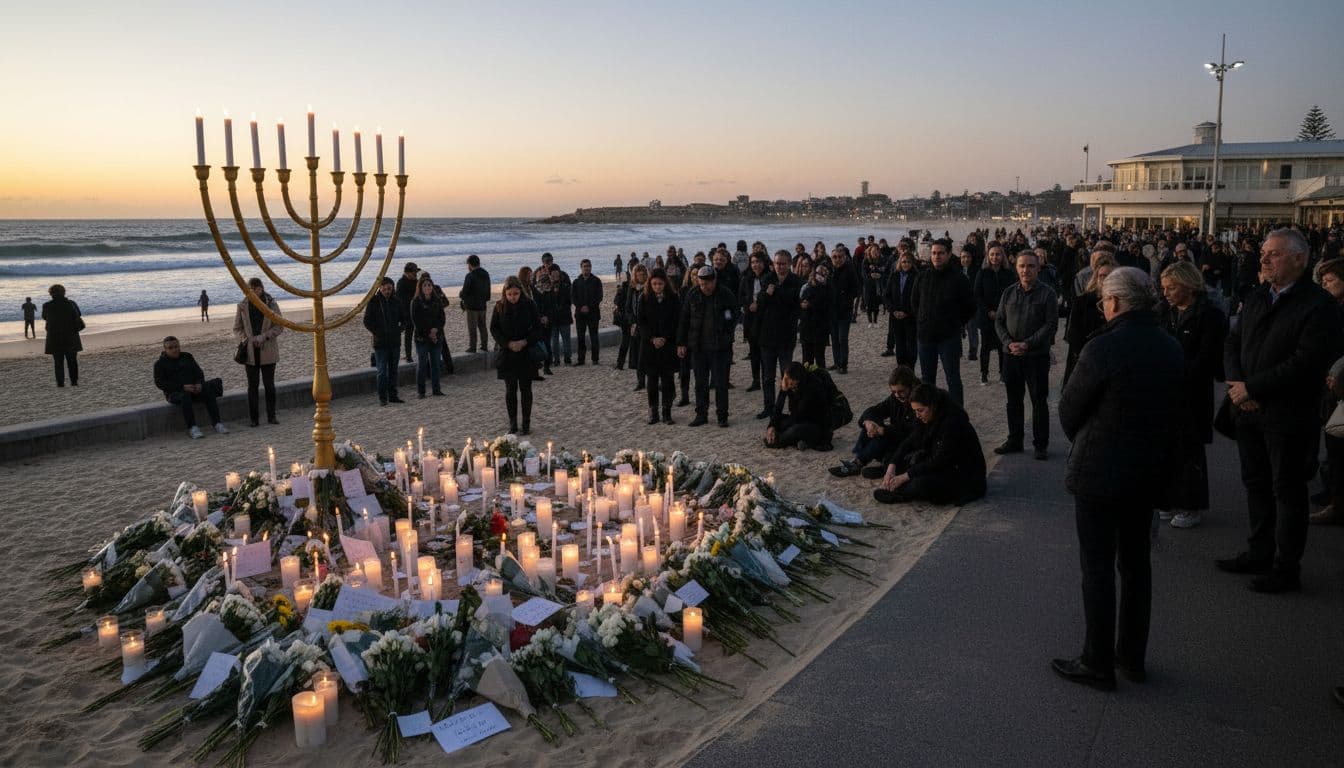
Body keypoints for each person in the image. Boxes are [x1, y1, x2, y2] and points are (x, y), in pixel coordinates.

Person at [1052, 267, 1184, 691]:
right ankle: (1131, 657)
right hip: (1146, 471)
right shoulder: (1169, 345)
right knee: (1136, 565)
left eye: (1103, 301)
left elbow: (1070, 409)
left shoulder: (1104, 346)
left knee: (1097, 568)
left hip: (1101, 472)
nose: (1102, 308)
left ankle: (1097, 661)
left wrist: (1090, 438)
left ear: (1115, 302)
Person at [1218, 228, 1343, 593]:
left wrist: (1252, 388)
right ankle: (1259, 551)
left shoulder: (1318, 305)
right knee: (1255, 484)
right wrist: (1237, 385)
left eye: (1273, 253)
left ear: (1300, 259)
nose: (1264, 259)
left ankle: (1286, 568)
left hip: (1288, 415)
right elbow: (1233, 341)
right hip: (1248, 410)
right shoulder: (1258, 296)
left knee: (1286, 491)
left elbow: (1307, 362)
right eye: (1263, 253)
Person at [1158, 261, 1228, 529]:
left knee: (1190, 451)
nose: (1166, 293)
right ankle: (1169, 499)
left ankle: (1190, 505)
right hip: (1166, 390)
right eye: (1164, 288)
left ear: (1188, 286)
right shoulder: (1165, 311)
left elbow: (1208, 358)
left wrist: (1177, 374)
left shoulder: (1209, 315)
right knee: (1167, 449)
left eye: (1171, 287)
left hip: (1193, 393)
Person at [871, 384, 986, 505]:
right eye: (915, 411)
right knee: (895, 458)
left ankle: (901, 494)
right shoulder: (926, 417)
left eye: (920, 410)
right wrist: (892, 465)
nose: (917, 415)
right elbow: (911, 440)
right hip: (939, 463)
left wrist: (906, 476)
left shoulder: (953, 423)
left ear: (933, 406)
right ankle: (888, 472)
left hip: (962, 474)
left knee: (920, 484)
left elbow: (938, 460)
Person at [994, 249, 1059, 460]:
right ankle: (1015, 440)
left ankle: (1041, 444)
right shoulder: (1009, 292)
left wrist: (1027, 344)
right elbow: (999, 321)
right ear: (1016, 268)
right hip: (1011, 355)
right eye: (1022, 266)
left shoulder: (1047, 293)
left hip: (1036, 357)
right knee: (1013, 400)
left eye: (1031, 266)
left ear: (1038, 268)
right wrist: (1009, 343)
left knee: (1038, 401)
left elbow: (1050, 325)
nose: (1026, 270)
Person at [912, 240, 976, 406]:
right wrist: (922, 320)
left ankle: (957, 416)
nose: (936, 256)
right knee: (927, 380)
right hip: (925, 337)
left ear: (948, 254)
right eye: (934, 253)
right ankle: (929, 413)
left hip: (949, 338)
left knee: (953, 378)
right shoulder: (923, 275)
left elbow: (970, 306)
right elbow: (915, 302)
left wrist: (955, 323)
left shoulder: (959, 278)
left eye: (940, 253)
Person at [677, 265, 740, 427]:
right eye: (702, 283)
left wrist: (726, 334)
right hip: (698, 347)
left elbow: (734, 316)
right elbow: (684, 319)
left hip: (720, 348)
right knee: (700, 384)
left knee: (721, 384)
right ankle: (701, 415)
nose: (705, 287)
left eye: (708, 283)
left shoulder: (725, 294)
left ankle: (722, 416)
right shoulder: (693, 294)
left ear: (714, 281)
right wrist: (681, 343)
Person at [830, 365, 918, 477]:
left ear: (911, 386)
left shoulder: (919, 400)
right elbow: (874, 410)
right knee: (871, 425)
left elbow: (913, 431)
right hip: (896, 439)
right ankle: (858, 461)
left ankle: (861, 464)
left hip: (911, 445)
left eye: (901, 391)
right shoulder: (895, 398)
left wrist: (884, 431)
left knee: (883, 439)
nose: (897, 395)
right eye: (894, 391)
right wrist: (868, 423)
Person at [490, 276, 543, 435]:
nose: (513, 297)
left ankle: (526, 424)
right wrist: (508, 344)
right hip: (507, 355)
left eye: (515, 294)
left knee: (526, 390)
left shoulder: (529, 305)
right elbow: (494, 329)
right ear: (505, 294)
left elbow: (538, 329)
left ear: (521, 292)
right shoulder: (499, 307)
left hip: (526, 353)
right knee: (510, 391)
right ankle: (513, 424)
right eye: (510, 294)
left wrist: (525, 342)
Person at [756, 250, 803, 420]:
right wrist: (768, 295)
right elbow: (760, 302)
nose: (780, 267)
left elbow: (795, 302)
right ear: (773, 264)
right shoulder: (767, 279)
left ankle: (791, 407)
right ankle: (769, 407)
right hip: (767, 336)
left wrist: (774, 294)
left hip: (786, 336)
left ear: (790, 264)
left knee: (787, 376)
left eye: (783, 263)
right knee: (767, 377)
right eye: (777, 263)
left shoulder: (796, 281)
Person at [233, 277, 283, 426]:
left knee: (269, 386)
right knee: (252, 387)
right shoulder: (242, 305)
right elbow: (237, 328)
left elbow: (280, 326)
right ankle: (254, 419)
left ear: (261, 289)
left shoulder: (271, 304)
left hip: (267, 350)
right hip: (249, 352)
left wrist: (264, 336)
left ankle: (271, 416)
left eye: (256, 289)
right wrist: (246, 339)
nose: (253, 292)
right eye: (250, 289)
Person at [154, 336, 226, 438]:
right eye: (170, 348)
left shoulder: (187, 356)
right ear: (165, 350)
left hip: (194, 389)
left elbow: (199, 373)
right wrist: (182, 387)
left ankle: (217, 424)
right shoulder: (159, 364)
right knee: (185, 397)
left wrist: (199, 384)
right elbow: (160, 383)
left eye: (176, 346)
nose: (174, 350)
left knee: (209, 392)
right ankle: (193, 428)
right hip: (174, 393)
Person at [1063, 255, 1116, 387]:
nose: (1105, 279)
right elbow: (1073, 335)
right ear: (1096, 277)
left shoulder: (1123, 303)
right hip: (1086, 362)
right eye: (1102, 275)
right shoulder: (1083, 302)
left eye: (1110, 276)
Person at [638, 268, 680, 425]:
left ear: (665, 283)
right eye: (654, 284)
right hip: (650, 345)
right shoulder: (644, 298)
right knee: (652, 381)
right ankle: (653, 412)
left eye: (660, 284)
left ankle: (667, 412)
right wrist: (652, 338)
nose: (657, 287)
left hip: (667, 344)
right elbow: (641, 322)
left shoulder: (673, 298)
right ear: (650, 283)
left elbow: (677, 320)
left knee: (668, 380)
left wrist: (665, 338)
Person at [764, 361, 833, 450]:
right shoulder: (792, 385)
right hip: (800, 420)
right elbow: (778, 409)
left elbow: (798, 414)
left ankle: (778, 441)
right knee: (778, 421)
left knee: (794, 430)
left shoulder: (812, 386)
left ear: (797, 379)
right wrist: (772, 426)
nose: (785, 381)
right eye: (785, 377)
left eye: (788, 379)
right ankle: (800, 441)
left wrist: (785, 392)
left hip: (815, 425)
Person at [972, 245, 1014, 384]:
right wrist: (988, 311)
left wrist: (1002, 312)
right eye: (992, 255)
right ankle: (984, 374)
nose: (995, 257)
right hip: (986, 317)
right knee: (985, 347)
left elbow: (1012, 294)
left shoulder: (1008, 273)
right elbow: (977, 295)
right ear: (988, 257)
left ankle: (1003, 373)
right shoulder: (982, 273)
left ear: (1002, 256)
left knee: (1003, 346)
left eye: (997, 254)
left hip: (1004, 316)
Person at [363, 277, 405, 405]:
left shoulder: (397, 301)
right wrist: (377, 332)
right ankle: (382, 397)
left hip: (394, 341)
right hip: (380, 342)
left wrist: (399, 329)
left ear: (393, 289)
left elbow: (404, 318)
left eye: (389, 289)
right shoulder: (374, 301)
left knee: (393, 370)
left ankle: (393, 395)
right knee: (382, 371)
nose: (387, 291)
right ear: (380, 288)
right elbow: (367, 321)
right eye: (385, 288)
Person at [411, 276, 446, 398]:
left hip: (436, 336)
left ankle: (436, 389)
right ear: (420, 287)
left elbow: (442, 318)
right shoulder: (415, 302)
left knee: (436, 363)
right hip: (422, 338)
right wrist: (429, 333)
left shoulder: (437, 301)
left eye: (429, 285)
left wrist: (436, 330)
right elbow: (416, 321)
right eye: (425, 285)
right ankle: (421, 391)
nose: (427, 287)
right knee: (422, 364)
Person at [827, 246, 861, 373]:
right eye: (834, 257)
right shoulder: (829, 270)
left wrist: (846, 298)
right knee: (834, 339)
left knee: (842, 338)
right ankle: (837, 362)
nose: (837, 259)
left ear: (844, 257)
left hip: (844, 310)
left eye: (840, 257)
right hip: (832, 310)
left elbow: (857, 289)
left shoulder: (849, 269)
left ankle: (843, 364)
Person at [42, 284, 83, 387]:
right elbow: (78, 314)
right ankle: (74, 382)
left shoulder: (47, 305)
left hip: (54, 337)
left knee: (58, 362)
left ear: (51, 294)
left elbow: (44, 317)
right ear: (64, 292)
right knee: (72, 361)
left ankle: (60, 383)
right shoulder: (71, 303)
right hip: (71, 335)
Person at [739, 252, 769, 392]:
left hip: (765, 319)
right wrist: (749, 304)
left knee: (765, 353)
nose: (755, 265)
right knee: (754, 352)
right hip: (751, 319)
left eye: (758, 262)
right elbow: (742, 296)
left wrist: (759, 304)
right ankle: (756, 380)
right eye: (753, 262)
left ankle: (766, 379)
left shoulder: (770, 277)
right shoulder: (746, 278)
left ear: (764, 263)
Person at [882, 253, 918, 366]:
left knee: (911, 345)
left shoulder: (917, 276)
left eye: (908, 262)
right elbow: (887, 295)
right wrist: (893, 311)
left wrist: (907, 312)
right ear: (899, 263)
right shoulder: (894, 276)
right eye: (903, 262)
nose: (905, 264)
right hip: (896, 317)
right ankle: (901, 369)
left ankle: (910, 370)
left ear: (912, 263)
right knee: (900, 344)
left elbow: (919, 298)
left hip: (911, 317)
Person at [616, 264, 647, 378]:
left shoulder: (649, 287)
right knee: (637, 353)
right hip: (634, 323)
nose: (641, 277)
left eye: (643, 275)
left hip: (647, 324)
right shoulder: (631, 288)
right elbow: (627, 307)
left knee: (647, 353)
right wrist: (632, 322)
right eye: (639, 275)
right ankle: (640, 380)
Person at [571, 258, 603, 365]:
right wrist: (581, 307)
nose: (586, 268)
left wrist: (589, 307)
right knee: (580, 337)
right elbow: (573, 297)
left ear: (591, 267)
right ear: (581, 268)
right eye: (584, 266)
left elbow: (599, 297)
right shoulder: (576, 282)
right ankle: (581, 359)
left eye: (588, 266)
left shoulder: (596, 281)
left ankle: (595, 359)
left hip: (593, 313)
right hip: (580, 314)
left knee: (594, 337)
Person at [460, 254, 491, 354]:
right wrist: (486, 299)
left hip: (472, 306)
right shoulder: (485, 273)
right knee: (483, 326)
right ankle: (484, 345)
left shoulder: (470, 275)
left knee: (472, 328)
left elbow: (465, 292)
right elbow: (488, 290)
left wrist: (461, 295)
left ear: (469, 264)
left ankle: (473, 347)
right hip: (482, 305)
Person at [532, 270, 558, 377]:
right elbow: (534, 307)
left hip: (548, 321)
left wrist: (547, 317)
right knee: (537, 344)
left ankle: (547, 366)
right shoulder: (535, 290)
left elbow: (552, 307)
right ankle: (537, 367)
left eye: (544, 278)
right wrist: (540, 317)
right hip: (537, 322)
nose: (543, 281)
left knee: (547, 344)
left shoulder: (550, 291)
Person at [547, 264, 574, 366]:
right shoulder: (547, 287)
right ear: (550, 275)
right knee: (554, 340)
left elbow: (570, 299)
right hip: (552, 318)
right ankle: (556, 360)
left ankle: (567, 358)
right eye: (553, 275)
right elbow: (545, 302)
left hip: (564, 316)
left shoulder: (566, 285)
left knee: (566, 339)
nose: (555, 277)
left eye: (556, 275)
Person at [396, 262, 420, 363]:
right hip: (407, 313)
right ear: (407, 272)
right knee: (408, 335)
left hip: (417, 312)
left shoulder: (416, 281)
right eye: (414, 272)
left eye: (416, 272)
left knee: (419, 334)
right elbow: (401, 301)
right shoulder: (401, 283)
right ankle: (409, 356)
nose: (415, 274)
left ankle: (419, 354)